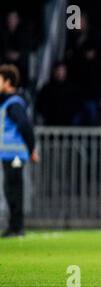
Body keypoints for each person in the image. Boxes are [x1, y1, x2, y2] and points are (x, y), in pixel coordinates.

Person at [0, 64, 39, 238]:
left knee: (14, 188)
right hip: (8, 153)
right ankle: (14, 226)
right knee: (10, 188)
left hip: (15, 153)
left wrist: (31, 149)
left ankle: (17, 226)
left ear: (8, 82)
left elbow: (25, 126)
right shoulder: (7, 103)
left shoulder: (14, 104)